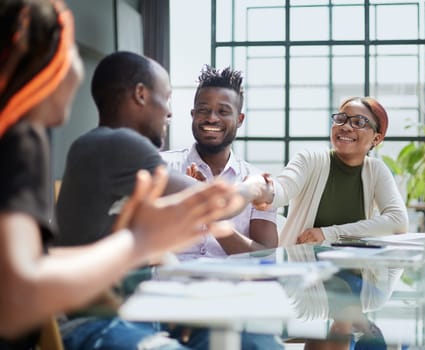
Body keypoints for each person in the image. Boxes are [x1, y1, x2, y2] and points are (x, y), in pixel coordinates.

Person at [0, 1, 250, 349]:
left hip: (111, 311)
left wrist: (144, 246)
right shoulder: (24, 141)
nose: (169, 113)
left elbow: (35, 263)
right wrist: (140, 242)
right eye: (167, 99)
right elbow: (17, 296)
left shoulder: (39, 140)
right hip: (89, 322)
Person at [54, 52, 282, 350]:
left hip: (135, 311)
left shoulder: (101, 145)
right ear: (140, 95)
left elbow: (146, 244)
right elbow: (217, 202)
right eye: (167, 98)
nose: (170, 113)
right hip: (97, 322)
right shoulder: (120, 146)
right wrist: (254, 187)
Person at [161, 65, 278, 260]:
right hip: (170, 284)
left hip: (233, 287)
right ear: (193, 115)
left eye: (223, 111)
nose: (211, 118)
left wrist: (210, 215)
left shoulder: (257, 184)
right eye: (203, 110)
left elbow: (265, 256)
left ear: (239, 119)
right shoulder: (162, 167)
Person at [256, 96, 408, 246]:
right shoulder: (310, 158)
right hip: (303, 266)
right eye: (341, 119)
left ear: (376, 139)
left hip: (356, 268)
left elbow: (398, 221)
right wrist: (265, 192)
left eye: (359, 122)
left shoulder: (376, 170)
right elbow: (284, 187)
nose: (346, 126)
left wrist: (327, 233)